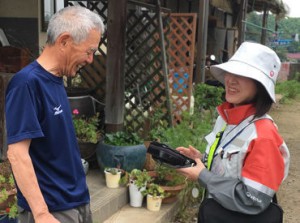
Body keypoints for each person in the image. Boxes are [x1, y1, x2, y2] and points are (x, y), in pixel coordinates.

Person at [5, 5, 104, 223]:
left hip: (75, 201)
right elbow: (17, 154)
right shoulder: (27, 84)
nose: (90, 60)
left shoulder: (56, 79)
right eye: (89, 51)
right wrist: (41, 213)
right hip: (52, 210)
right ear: (64, 41)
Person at [176, 42, 290, 222]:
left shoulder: (264, 135)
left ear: (260, 85)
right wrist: (202, 161)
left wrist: (203, 176)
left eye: (243, 75)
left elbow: (253, 199)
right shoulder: (227, 120)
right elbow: (231, 168)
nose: (231, 80)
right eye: (231, 72)